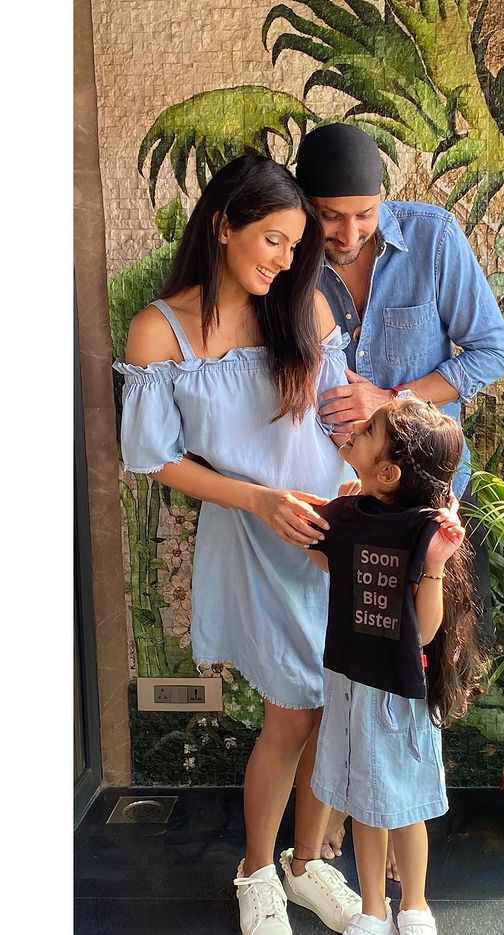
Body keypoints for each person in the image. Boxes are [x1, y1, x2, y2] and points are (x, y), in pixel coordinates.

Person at [114, 154, 364, 935]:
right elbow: (155, 458)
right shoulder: (159, 330)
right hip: (255, 540)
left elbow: (343, 420)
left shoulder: (302, 307)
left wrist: (370, 490)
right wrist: (258, 498)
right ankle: (257, 870)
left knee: (336, 706)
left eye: (295, 246)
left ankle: (306, 863)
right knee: (291, 714)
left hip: (333, 533)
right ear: (223, 225)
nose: (285, 260)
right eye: (272, 240)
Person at [295, 121, 504, 873]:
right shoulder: (288, 253)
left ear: (384, 197)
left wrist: (388, 398)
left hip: (420, 508)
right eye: (330, 216)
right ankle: (330, 826)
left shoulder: (433, 238)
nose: (348, 232)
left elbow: (491, 350)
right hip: (335, 504)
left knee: (414, 666)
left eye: (365, 213)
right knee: (337, 662)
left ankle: (398, 826)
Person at [304, 396, 486, 935]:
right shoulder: (348, 512)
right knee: (366, 806)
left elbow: (424, 632)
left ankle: (415, 905)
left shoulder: (422, 529)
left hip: (398, 691)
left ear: (388, 473)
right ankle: (373, 909)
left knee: (405, 807)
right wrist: (340, 518)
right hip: (351, 678)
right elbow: (319, 556)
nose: (356, 426)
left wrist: (435, 565)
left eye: (368, 430)